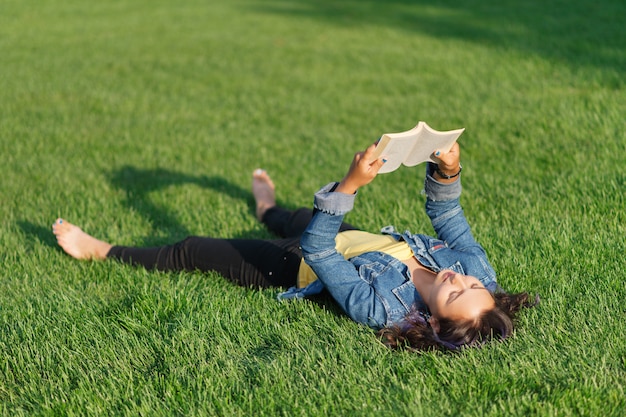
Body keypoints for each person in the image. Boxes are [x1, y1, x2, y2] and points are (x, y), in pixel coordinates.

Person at [53, 143, 536, 351]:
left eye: (455, 292)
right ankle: (266, 210)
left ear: (431, 321)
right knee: (294, 215)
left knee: (195, 248)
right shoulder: (476, 273)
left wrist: (349, 185)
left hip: (300, 262)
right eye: (471, 283)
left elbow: (321, 250)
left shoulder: (380, 308)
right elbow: (448, 216)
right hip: (365, 242)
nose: (458, 277)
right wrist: (448, 170)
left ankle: (102, 250)